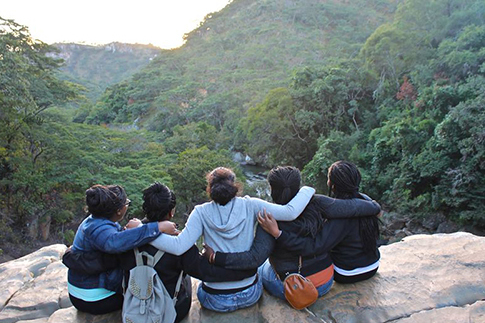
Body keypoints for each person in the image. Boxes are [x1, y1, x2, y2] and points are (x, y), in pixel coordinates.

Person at [149, 167, 316, 312]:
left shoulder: (200, 212)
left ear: (210, 188)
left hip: (214, 299)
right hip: (249, 294)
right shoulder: (250, 205)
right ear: (234, 186)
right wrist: (308, 188)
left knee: (200, 286)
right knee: (262, 267)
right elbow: (290, 212)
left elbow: (179, 246)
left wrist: (146, 235)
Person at [204, 166, 381, 301]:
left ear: (272, 190)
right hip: (326, 280)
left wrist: (216, 257)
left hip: (295, 286)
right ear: (298, 186)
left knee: (261, 267)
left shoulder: (268, 219)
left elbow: (254, 258)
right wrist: (374, 206)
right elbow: (351, 207)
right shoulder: (317, 202)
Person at [118, 182, 256, 322]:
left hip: (135, 304)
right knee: (188, 276)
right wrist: (243, 272)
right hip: (172, 309)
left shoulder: (127, 234)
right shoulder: (179, 243)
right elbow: (206, 272)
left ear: (145, 208)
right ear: (172, 212)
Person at [66, 184, 177, 315]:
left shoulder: (95, 220)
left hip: (82, 291)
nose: (127, 205)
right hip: (93, 300)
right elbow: (114, 243)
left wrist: (139, 227)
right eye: (127, 203)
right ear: (119, 210)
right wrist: (157, 227)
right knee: (146, 292)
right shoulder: (99, 230)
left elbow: (118, 239)